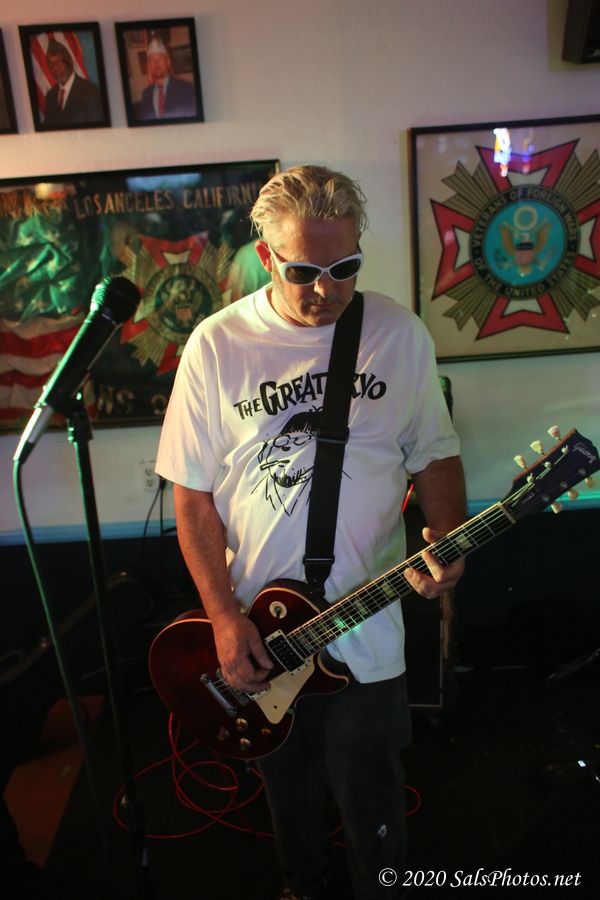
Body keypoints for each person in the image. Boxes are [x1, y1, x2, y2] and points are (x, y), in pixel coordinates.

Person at [155, 165, 467, 900]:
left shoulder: (398, 334)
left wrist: (448, 541)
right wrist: (224, 618)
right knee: (288, 801)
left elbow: (435, 455)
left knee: (373, 800)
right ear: (267, 257)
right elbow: (192, 499)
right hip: (262, 631)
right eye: (303, 271)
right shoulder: (216, 345)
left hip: (369, 626)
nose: (325, 289)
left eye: (344, 268)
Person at [43, 39, 103, 127]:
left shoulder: (90, 92)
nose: (56, 68)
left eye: (59, 62)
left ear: (69, 62)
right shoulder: (50, 96)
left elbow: (97, 130)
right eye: (52, 65)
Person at [138, 36, 197, 121]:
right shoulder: (146, 94)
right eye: (152, 60)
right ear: (149, 65)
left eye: (160, 59)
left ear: (168, 62)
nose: (156, 63)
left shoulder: (186, 89)